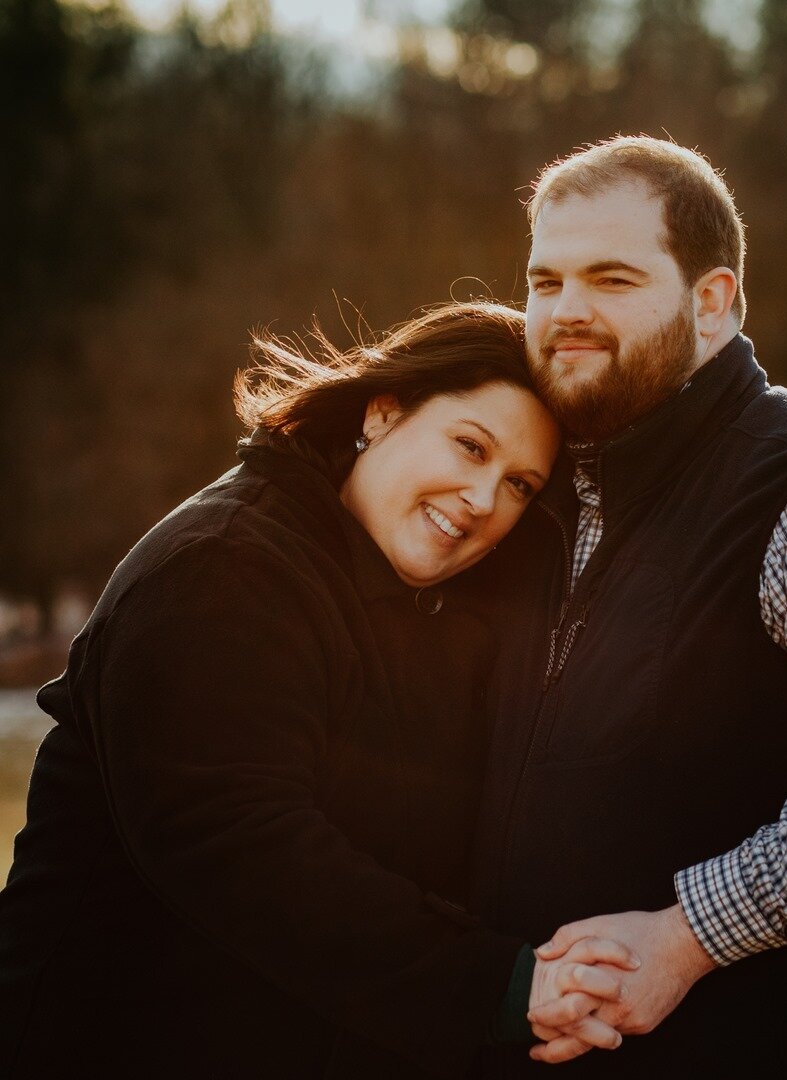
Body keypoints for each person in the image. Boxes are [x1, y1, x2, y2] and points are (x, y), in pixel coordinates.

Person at [0, 302, 633, 1079]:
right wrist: (499, 986)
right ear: (383, 411)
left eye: (519, 486)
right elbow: (243, 853)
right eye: (470, 446)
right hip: (110, 1042)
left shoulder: (421, 604)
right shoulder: (223, 570)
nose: (481, 499)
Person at [472, 138, 787, 1077]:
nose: (567, 311)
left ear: (710, 303)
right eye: (545, 281)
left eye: (613, 278)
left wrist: (685, 938)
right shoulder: (539, 492)